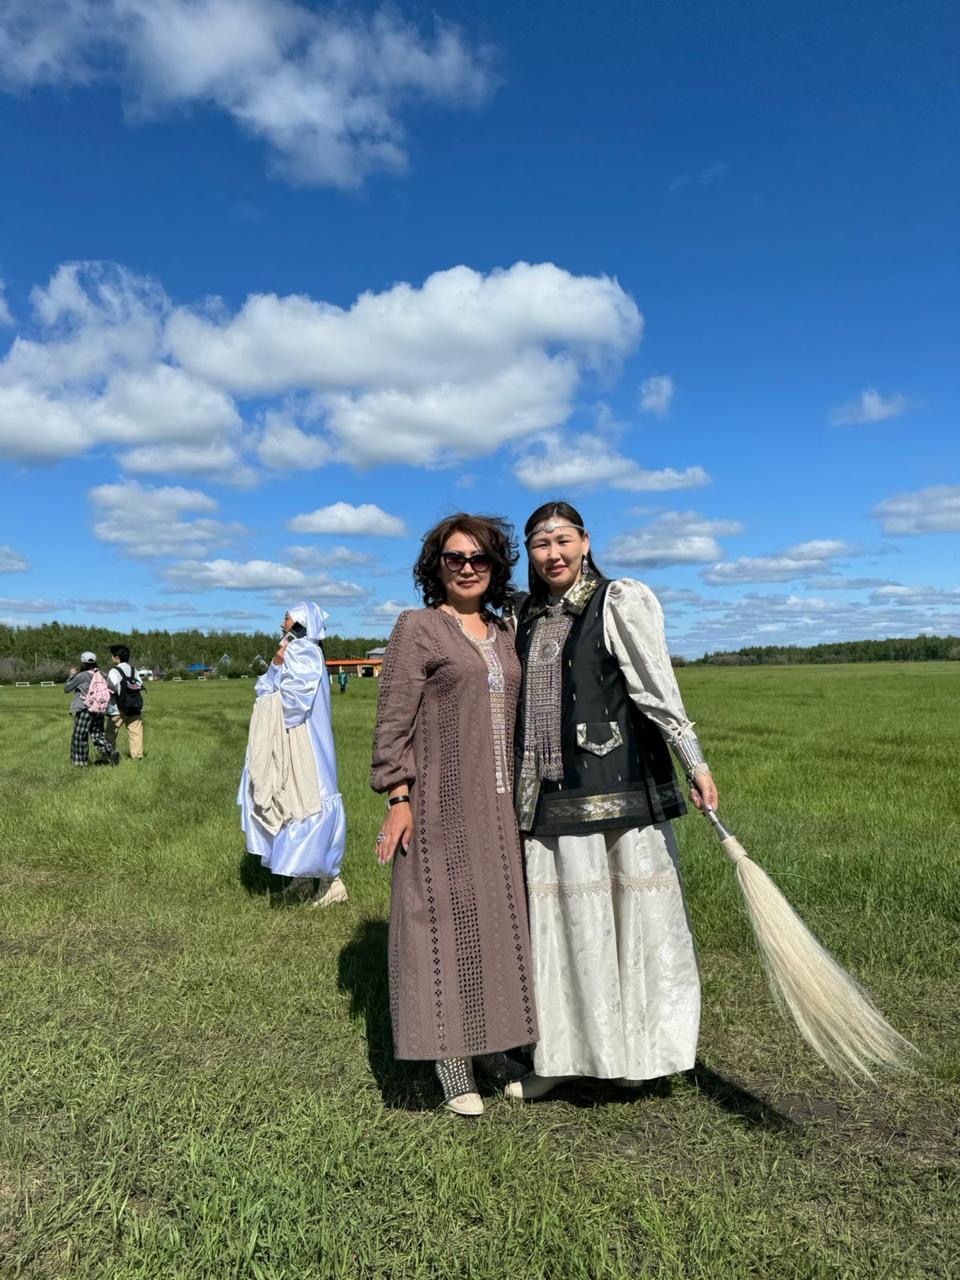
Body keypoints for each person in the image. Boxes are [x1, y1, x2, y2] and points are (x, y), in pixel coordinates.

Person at [506, 501, 720, 1100]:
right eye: (541, 543)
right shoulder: (524, 615)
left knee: (630, 922)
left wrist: (695, 761)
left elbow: (656, 688)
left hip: (618, 789)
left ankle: (639, 1055)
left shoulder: (618, 601)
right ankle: (560, 1056)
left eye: (563, 540)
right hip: (547, 796)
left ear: (585, 541)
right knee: (563, 927)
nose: (553, 554)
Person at [370, 514, 538, 1117]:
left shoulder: (504, 631)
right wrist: (398, 797)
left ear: (495, 566)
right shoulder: (418, 627)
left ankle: (494, 1047)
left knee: (496, 922)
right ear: (435, 565)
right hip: (439, 802)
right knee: (441, 922)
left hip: (502, 807)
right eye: (454, 558)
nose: (467, 567)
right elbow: (393, 721)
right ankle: (451, 1061)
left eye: (479, 558)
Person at [238, 602, 347, 908]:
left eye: (286, 618)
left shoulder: (304, 651)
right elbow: (267, 688)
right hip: (297, 737)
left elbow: (293, 704)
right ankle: (303, 879)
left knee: (308, 797)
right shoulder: (297, 651)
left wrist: (270, 711)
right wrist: (276, 663)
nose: (281, 623)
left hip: (304, 741)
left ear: (300, 622)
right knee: (294, 801)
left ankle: (331, 881)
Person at [64, 652, 117, 767]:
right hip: (99, 710)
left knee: (80, 736)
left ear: (83, 662)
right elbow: (113, 688)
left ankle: (80, 762)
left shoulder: (82, 675)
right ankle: (110, 753)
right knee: (98, 735)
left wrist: (72, 675)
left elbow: (67, 688)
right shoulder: (102, 674)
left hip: (85, 709)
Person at [105, 643, 144, 760]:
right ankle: (137, 756)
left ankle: (109, 755)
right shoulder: (134, 670)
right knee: (135, 732)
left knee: (111, 733)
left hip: (117, 708)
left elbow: (111, 687)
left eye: (112, 656)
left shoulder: (114, 671)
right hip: (134, 706)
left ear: (117, 657)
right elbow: (140, 684)